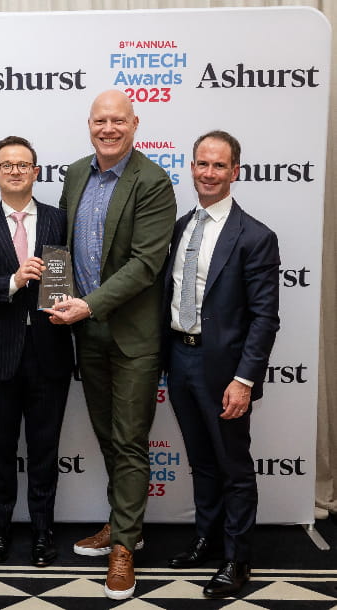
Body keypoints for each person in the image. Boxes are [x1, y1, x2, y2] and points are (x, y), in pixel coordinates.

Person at [46, 90, 176, 600]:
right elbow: (60, 243)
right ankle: (126, 524)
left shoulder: (152, 181)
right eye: (100, 120)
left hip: (132, 336)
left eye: (118, 120)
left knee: (129, 440)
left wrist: (89, 304)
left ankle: (124, 547)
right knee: (107, 436)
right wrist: (57, 294)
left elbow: (145, 264)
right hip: (86, 332)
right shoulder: (76, 173)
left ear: (134, 124)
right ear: (89, 124)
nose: (108, 128)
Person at [163, 130, 280, 598]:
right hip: (180, 358)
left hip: (225, 372)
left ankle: (237, 559)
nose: (208, 173)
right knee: (202, 461)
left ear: (235, 172)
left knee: (233, 467)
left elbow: (264, 318)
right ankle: (207, 540)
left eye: (218, 165)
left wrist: (244, 379)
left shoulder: (255, 236)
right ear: (191, 167)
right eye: (202, 164)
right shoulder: (180, 227)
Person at [0, 136, 74, 567]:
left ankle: (43, 532)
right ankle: (0, 528)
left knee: (45, 450)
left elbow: (75, 275)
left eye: (23, 165)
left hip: (50, 353)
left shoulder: (60, 220)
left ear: (36, 172)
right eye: (6, 165)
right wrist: (13, 280)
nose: (15, 171)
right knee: (1, 450)